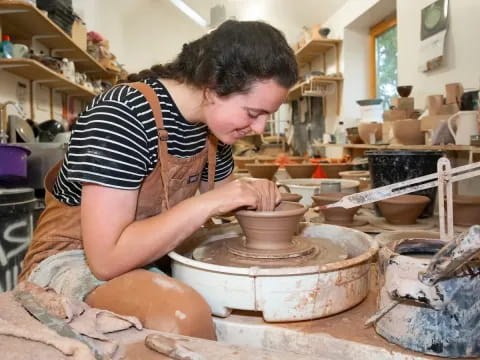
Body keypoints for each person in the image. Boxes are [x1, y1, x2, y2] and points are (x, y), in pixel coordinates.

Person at [18, 20, 298, 339]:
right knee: (183, 314)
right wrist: (215, 201)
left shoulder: (214, 131)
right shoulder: (123, 115)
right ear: (212, 86)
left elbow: (228, 201)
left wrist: (254, 194)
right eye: (252, 113)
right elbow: (106, 260)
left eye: (267, 116)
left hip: (149, 251)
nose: (260, 129)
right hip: (71, 258)